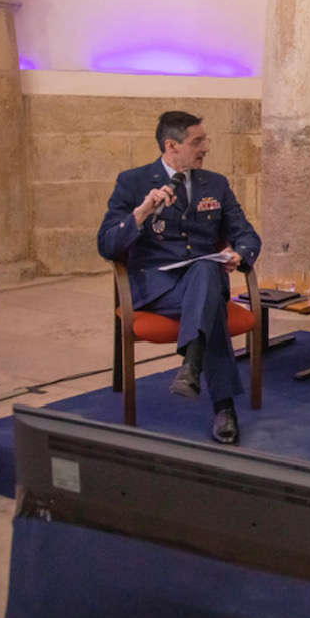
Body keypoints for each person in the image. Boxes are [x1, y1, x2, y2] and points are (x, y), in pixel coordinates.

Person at [97, 111, 261, 445]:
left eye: (205, 140)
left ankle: (191, 366)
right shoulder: (133, 182)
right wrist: (140, 213)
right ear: (171, 145)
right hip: (156, 289)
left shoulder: (215, 184)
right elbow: (107, 244)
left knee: (204, 269)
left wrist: (239, 254)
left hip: (203, 281)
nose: (206, 148)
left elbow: (247, 235)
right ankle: (223, 406)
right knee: (210, 300)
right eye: (198, 141)